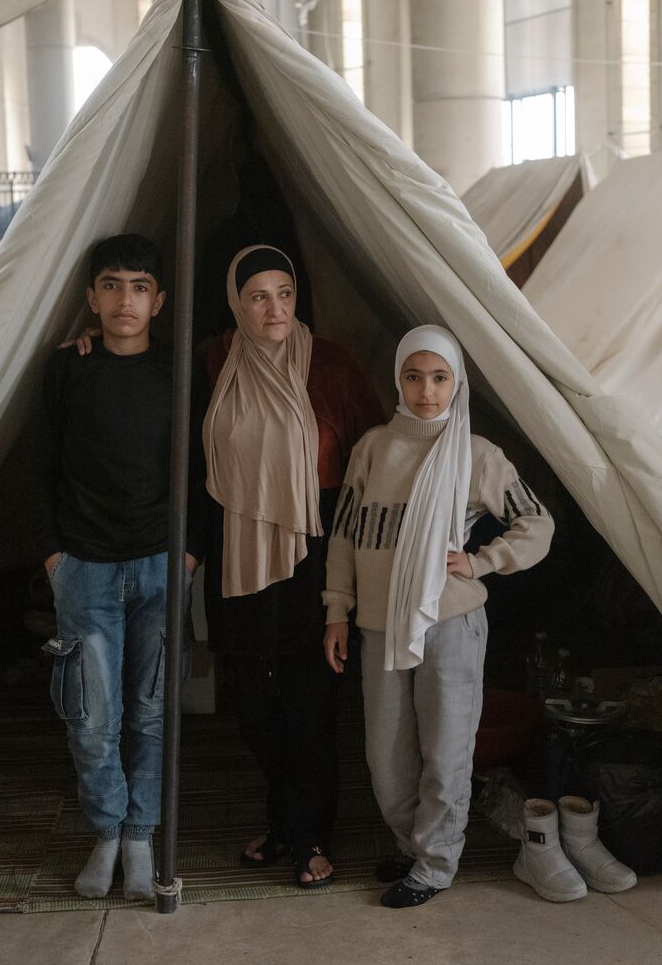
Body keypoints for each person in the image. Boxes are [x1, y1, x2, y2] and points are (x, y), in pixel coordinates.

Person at [322, 325, 554, 908]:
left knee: (446, 750)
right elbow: (345, 536)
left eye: (439, 378)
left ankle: (435, 864)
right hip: (380, 623)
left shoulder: (476, 454)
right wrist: (337, 610)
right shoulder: (374, 448)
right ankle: (411, 845)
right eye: (414, 377)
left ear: (457, 383)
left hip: (449, 623)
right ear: (397, 380)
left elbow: (537, 524)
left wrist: (481, 561)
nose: (426, 391)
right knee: (387, 756)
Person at [196, 245, 382, 889]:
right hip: (238, 552)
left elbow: (373, 461)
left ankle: (308, 834)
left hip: (316, 550)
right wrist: (84, 342)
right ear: (236, 302)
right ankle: (285, 819)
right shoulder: (213, 360)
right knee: (252, 705)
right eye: (257, 296)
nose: (274, 309)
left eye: (285, 293)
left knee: (310, 702)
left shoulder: (331, 364)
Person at [39, 233, 188, 902]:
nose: (125, 300)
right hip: (86, 566)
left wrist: (190, 554)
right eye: (111, 286)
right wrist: (54, 554)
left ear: (159, 300)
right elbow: (40, 462)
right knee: (91, 715)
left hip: (160, 562)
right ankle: (104, 832)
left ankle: (140, 837)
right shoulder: (67, 368)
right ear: (91, 298)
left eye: (139, 287)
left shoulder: (178, 373)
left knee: (151, 712)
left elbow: (203, 466)